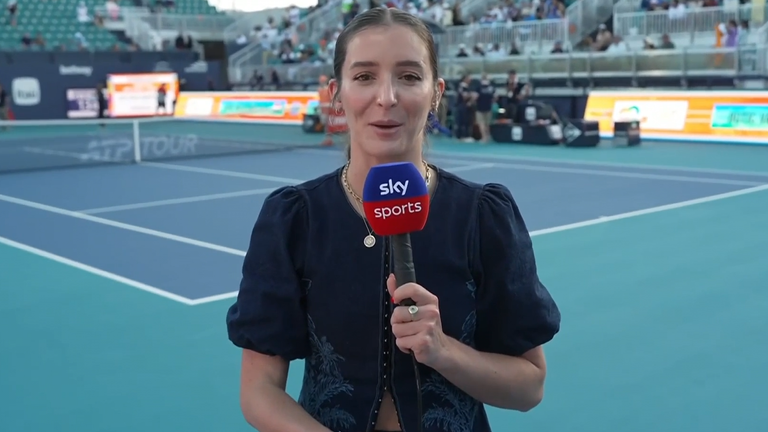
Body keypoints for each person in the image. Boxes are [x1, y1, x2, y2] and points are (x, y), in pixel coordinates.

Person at [226, 7, 561, 432]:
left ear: (436, 92)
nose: (387, 97)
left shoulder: (482, 216)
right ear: (337, 93)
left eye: (408, 76)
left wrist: (443, 350)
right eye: (364, 76)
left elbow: (529, 387)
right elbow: (259, 391)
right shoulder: (295, 219)